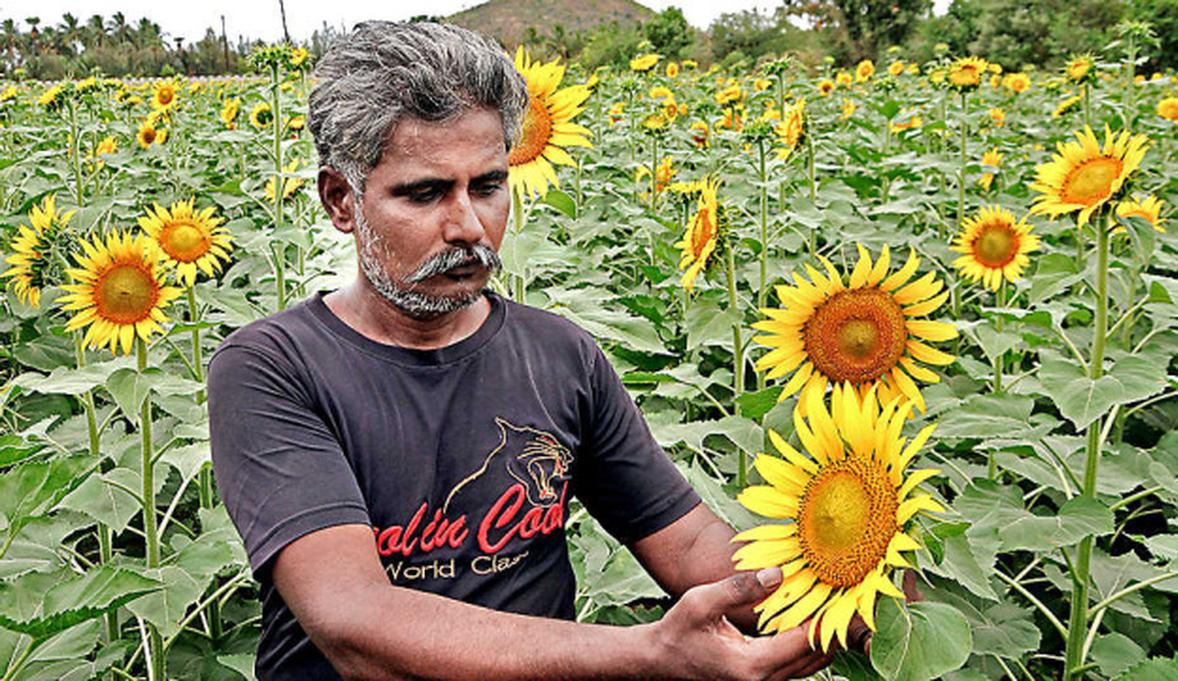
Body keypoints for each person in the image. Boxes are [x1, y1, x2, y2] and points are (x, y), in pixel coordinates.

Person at [208, 21, 862, 680]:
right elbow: (356, 620)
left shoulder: (559, 353)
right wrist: (650, 653)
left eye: (488, 185)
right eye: (426, 192)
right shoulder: (273, 368)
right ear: (340, 200)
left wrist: (848, 583)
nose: (468, 225)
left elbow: (688, 540)